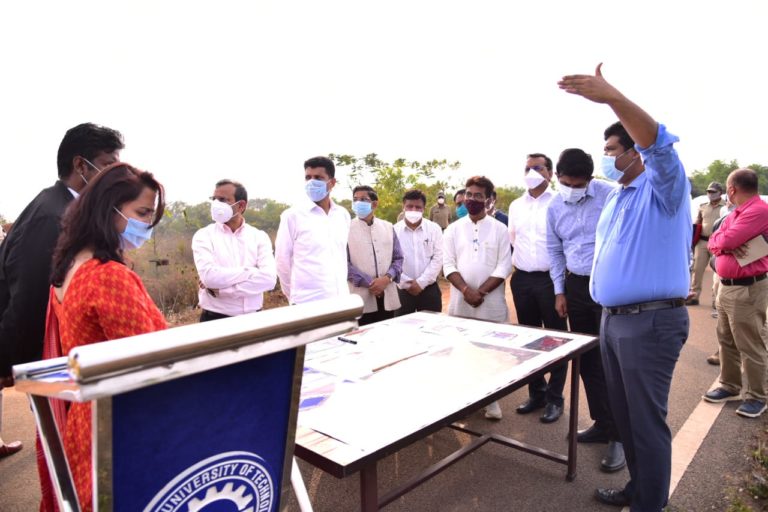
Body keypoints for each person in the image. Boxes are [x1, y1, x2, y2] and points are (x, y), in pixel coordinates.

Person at [559, 64, 691, 511]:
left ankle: (649, 504)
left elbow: (658, 145)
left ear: (635, 151)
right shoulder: (618, 195)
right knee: (628, 419)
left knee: (646, 422)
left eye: (613, 149)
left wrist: (613, 96)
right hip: (613, 321)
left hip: (650, 320)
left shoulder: (665, 188)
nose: (607, 157)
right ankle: (640, 489)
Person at [40, 163, 166, 511]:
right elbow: (156, 359)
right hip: (122, 425)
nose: (145, 225)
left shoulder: (69, 266)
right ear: (107, 208)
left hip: (84, 419)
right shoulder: (108, 276)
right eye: (141, 212)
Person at [0, 123, 123, 461]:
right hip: (47, 357)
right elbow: (27, 299)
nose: (116, 176)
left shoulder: (67, 209)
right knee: (65, 450)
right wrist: (10, 365)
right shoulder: (52, 216)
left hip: (60, 355)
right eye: (109, 164)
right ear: (82, 166)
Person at [546, 148, 624, 472]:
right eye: (565, 182)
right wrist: (559, 290)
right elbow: (554, 249)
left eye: (579, 184)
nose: (572, 189)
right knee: (587, 359)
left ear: (591, 179)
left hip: (609, 286)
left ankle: (620, 436)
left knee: (613, 362)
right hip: (576, 287)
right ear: (557, 178)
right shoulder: (554, 205)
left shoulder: (611, 195)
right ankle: (602, 423)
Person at [443, 176, 512, 419]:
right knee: (462, 350)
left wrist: (480, 292)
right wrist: (466, 291)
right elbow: (448, 264)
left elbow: (504, 266)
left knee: (490, 350)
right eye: (469, 195)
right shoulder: (453, 229)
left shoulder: (500, 229)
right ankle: (465, 400)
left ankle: (491, 400)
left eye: (478, 196)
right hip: (460, 300)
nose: (472, 199)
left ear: (489, 199)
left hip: (490, 301)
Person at [508, 153, 568, 424]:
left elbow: (566, 243)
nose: (531, 172)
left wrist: (560, 289)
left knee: (556, 340)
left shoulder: (561, 201)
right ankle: (537, 392)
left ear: (550, 173)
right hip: (522, 280)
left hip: (551, 280)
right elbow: (513, 240)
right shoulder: (516, 205)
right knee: (529, 342)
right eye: (527, 168)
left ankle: (555, 399)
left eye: (537, 167)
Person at [703, 168, 768, 419]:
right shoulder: (736, 213)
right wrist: (723, 243)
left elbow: (725, 242)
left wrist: (723, 244)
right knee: (726, 339)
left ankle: (757, 396)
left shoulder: (758, 211)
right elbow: (714, 240)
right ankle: (730, 385)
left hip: (747, 288)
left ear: (731, 190)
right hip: (727, 286)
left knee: (750, 343)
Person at [192, 180, 276, 321]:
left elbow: (269, 279)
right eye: (214, 199)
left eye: (223, 200)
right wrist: (250, 272)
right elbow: (209, 277)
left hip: (254, 319)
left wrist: (224, 291)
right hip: (215, 319)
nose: (216, 204)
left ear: (241, 205)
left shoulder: (259, 236)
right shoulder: (203, 236)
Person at [275, 156, 351, 305]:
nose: (311, 182)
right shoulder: (292, 216)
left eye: (318, 177)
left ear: (332, 183)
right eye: (308, 177)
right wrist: (294, 297)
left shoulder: (342, 215)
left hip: (341, 299)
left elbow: (341, 255)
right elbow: (282, 261)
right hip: (307, 302)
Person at [347, 185, 403, 325]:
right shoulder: (345, 228)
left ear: (375, 203)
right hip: (360, 297)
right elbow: (343, 263)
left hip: (387, 294)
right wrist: (371, 283)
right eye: (355, 200)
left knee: (386, 338)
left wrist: (387, 279)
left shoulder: (388, 227)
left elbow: (398, 258)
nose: (358, 203)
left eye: (363, 199)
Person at [394, 189, 443, 315]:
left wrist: (421, 283)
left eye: (418, 207)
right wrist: (405, 283)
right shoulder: (393, 231)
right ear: (403, 207)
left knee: (431, 328)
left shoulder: (434, 229)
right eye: (409, 206)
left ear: (424, 208)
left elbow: (438, 258)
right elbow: (391, 261)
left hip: (429, 289)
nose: (414, 210)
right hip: (402, 290)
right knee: (402, 329)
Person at [686, 182, 725, 306]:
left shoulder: (725, 207)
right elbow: (698, 224)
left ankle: (716, 299)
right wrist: (692, 240)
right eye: (709, 191)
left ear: (720, 193)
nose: (710, 194)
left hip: (718, 242)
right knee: (697, 269)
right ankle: (694, 296)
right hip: (702, 242)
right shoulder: (703, 207)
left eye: (713, 192)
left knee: (719, 272)